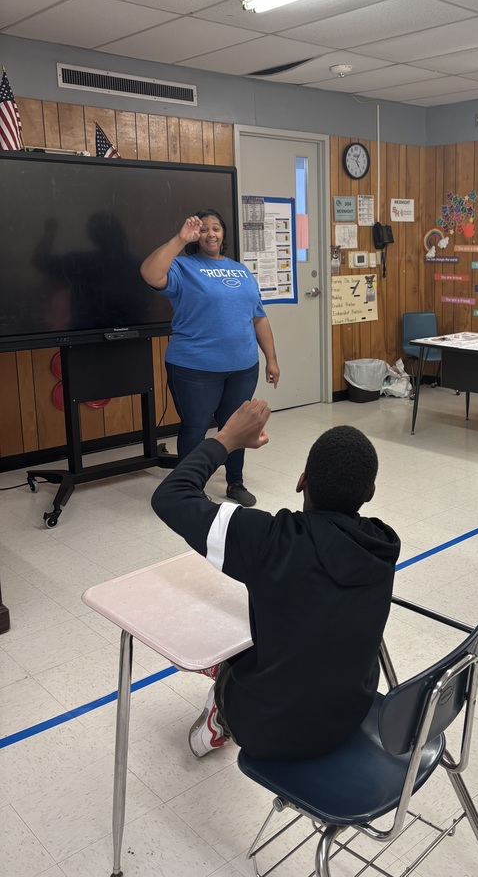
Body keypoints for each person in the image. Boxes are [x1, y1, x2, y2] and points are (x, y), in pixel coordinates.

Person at [150, 399, 401, 760]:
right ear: (370, 494)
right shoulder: (384, 543)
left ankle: (221, 713)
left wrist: (226, 439)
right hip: (349, 715)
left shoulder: (269, 539)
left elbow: (170, 496)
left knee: (227, 646)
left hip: (268, 731)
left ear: (302, 482)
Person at [140, 211, 280, 506]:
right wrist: (180, 239)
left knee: (237, 424)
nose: (211, 233)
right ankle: (189, 488)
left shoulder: (241, 271)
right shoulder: (183, 267)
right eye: (203, 229)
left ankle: (235, 482)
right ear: (196, 236)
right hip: (194, 367)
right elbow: (150, 273)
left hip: (243, 367)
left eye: (216, 228)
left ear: (223, 234)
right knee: (196, 425)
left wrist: (271, 359)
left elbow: (259, 319)